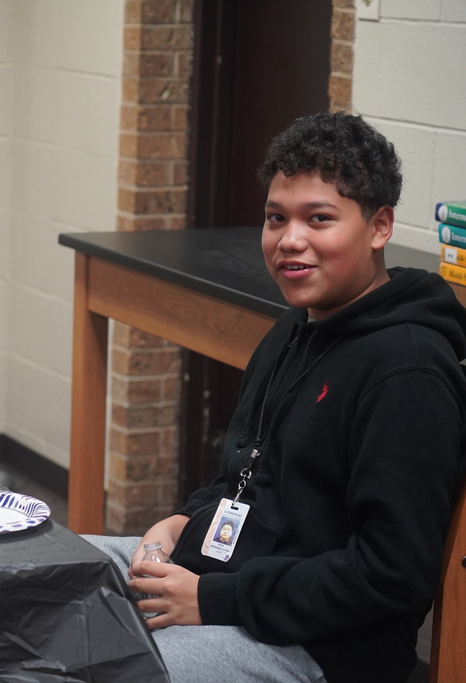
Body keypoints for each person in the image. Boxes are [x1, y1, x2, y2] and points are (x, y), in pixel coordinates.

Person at [86, 112, 466, 683]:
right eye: (275, 218)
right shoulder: (294, 328)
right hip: (220, 580)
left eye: (319, 219)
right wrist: (177, 522)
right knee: (47, 571)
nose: (290, 240)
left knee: (107, 668)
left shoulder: (408, 371)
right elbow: (245, 474)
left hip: (316, 646)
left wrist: (213, 600)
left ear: (380, 226)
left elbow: (391, 573)